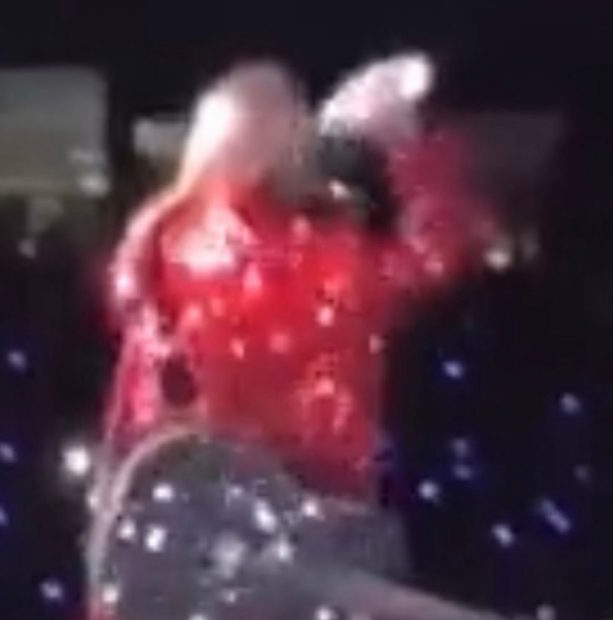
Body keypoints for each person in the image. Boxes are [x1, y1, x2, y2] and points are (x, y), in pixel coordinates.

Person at [90, 57, 503, 620]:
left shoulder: (162, 244)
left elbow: (134, 423)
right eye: (296, 127)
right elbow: (433, 256)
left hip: (184, 539)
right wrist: (406, 148)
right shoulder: (311, 262)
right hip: (298, 536)